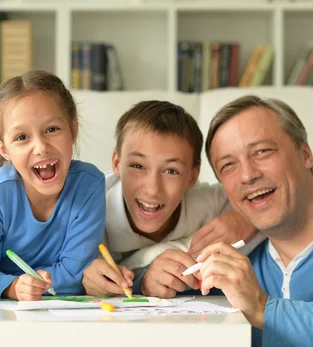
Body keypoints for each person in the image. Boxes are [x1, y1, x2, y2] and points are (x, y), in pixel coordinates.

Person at [197, 95, 313, 346]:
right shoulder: (238, 259)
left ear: (305, 155)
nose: (247, 175)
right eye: (228, 165)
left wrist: (264, 309)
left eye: (262, 151)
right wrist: (145, 278)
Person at [82, 100, 265, 299]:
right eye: (137, 166)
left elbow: (285, 197)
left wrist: (246, 218)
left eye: (171, 171)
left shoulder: (208, 202)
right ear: (117, 163)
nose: (152, 189)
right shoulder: (87, 209)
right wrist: (83, 280)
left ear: (192, 177)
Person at [0, 70, 106, 301]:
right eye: (22, 137)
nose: (41, 147)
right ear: (4, 149)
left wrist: (29, 284)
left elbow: (77, 272)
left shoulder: (89, 184)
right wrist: (13, 286)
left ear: (73, 130)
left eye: (52, 130)